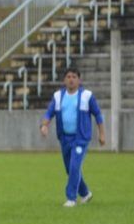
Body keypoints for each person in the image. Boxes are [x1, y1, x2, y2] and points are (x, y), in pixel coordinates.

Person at [40, 67, 105, 207]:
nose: (71, 79)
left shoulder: (87, 96)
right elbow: (49, 113)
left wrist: (102, 134)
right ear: (64, 80)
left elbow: (98, 115)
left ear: (79, 80)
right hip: (64, 138)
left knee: (75, 166)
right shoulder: (58, 96)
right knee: (70, 169)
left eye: (74, 77)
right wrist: (44, 125)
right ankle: (86, 193)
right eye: (68, 76)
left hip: (80, 138)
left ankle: (71, 199)